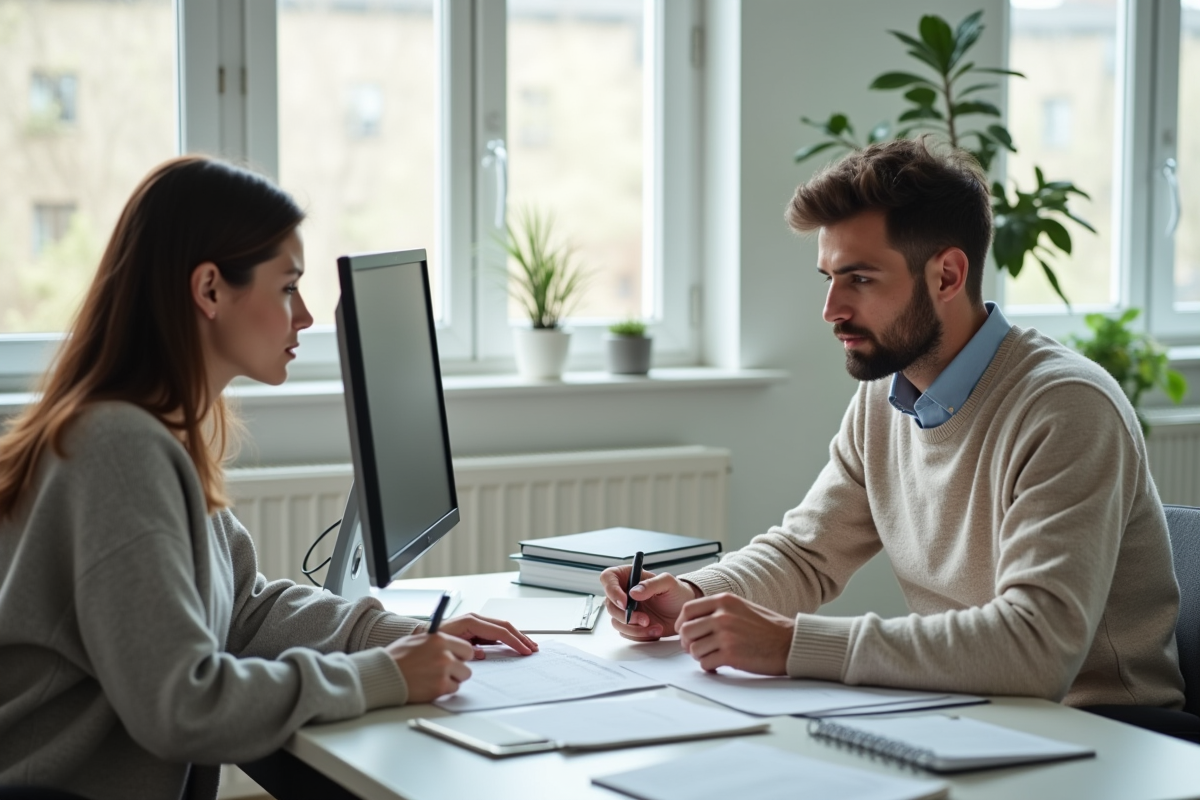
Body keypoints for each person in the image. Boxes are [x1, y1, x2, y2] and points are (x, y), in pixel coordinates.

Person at [0, 156, 537, 800]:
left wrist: (396, 638)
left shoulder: (157, 428)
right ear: (209, 290)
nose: (304, 315)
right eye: (287, 287)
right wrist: (384, 675)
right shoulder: (117, 449)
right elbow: (183, 705)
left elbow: (243, 609)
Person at [602, 138, 1187, 713]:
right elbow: (808, 553)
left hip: (1102, 732)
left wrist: (791, 645)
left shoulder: (1066, 407)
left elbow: (1037, 648)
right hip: (963, 713)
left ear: (947, 276)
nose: (831, 310)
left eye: (859, 279)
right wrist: (693, 594)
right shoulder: (883, 395)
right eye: (827, 278)